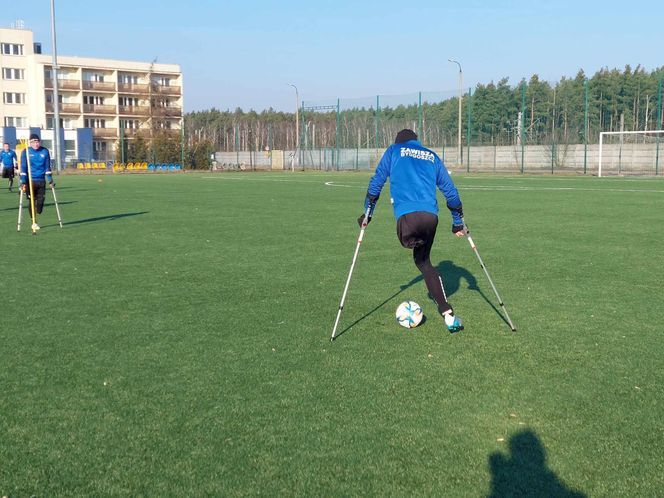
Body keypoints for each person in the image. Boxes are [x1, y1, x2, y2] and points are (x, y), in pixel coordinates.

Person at [359, 129, 465, 333]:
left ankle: (413, 243)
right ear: (416, 141)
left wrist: (367, 214)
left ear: (399, 141)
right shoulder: (431, 156)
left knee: (419, 256)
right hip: (430, 218)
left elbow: (377, 182)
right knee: (424, 262)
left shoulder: (394, 151)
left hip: (407, 219)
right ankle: (448, 314)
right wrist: (457, 222)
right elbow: (450, 191)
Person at [20, 134, 54, 231]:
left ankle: (37, 212)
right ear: (30, 142)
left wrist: (50, 180)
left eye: (37, 141)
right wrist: (23, 181)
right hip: (29, 180)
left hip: (41, 180)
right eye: (34, 142)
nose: (36, 144)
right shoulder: (26, 151)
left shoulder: (45, 151)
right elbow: (23, 167)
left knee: (40, 203)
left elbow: (47, 167)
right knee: (31, 201)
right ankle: (34, 222)